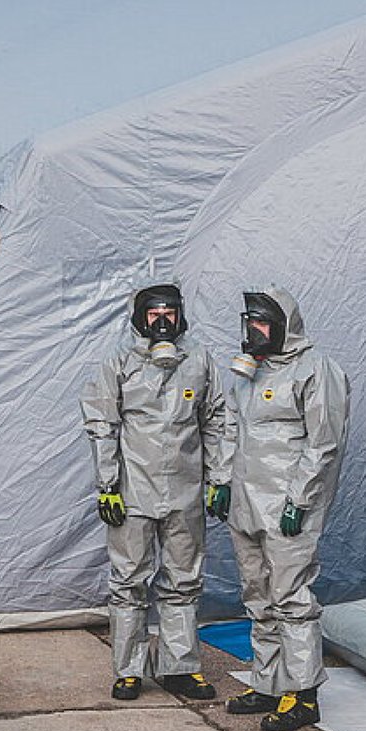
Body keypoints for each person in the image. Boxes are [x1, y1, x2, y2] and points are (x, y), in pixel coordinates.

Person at [81, 284, 231, 702]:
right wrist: (108, 485)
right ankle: (128, 669)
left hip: (185, 492)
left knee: (183, 580)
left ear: (181, 315)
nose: (162, 321)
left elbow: (216, 421)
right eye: (154, 314)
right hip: (133, 491)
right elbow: (102, 426)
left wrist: (219, 479)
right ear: (139, 317)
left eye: (170, 312)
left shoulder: (198, 360)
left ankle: (179, 668)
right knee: (129, 580)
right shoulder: (119, 362)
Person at [223, 288, 349, 731]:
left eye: (263, 323)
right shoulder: (248, 374)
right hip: (246, 502)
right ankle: (268, 681)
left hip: (287, 507)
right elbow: (230, 428)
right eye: (249, 322)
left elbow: (323, 444)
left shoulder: (316, 371)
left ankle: (302, 692)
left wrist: (299, 499)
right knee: (258, 595)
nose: (253, 331)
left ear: (284, 324)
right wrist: (222, 481)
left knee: (292, 598)